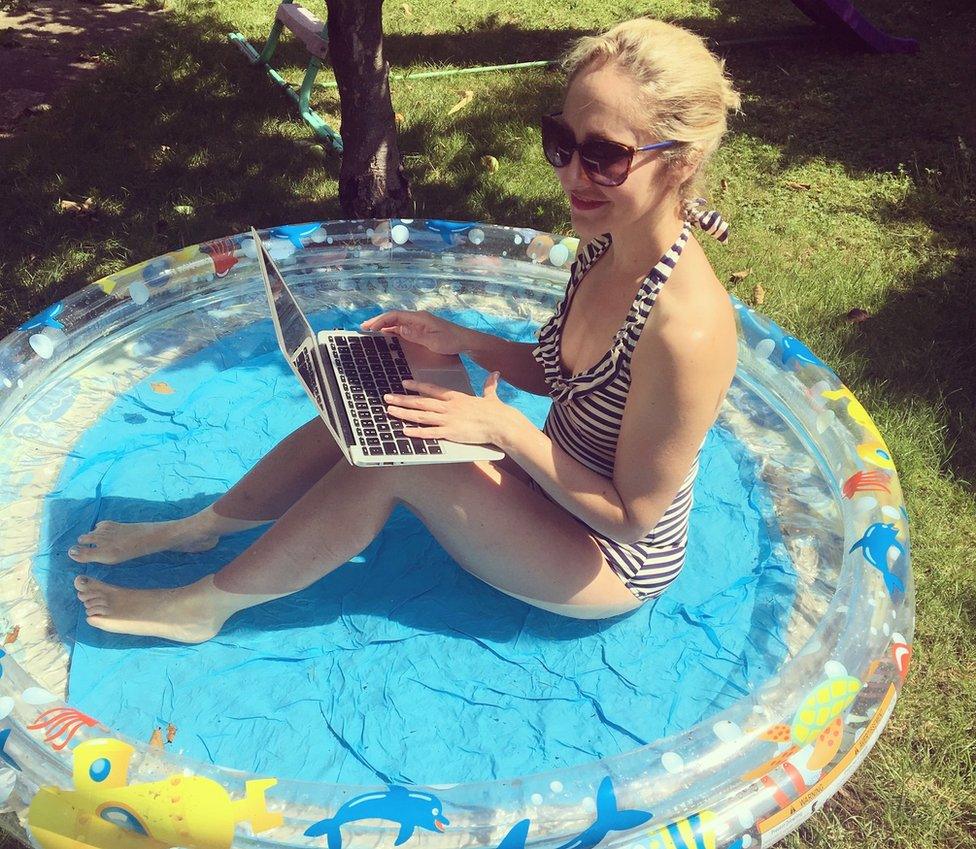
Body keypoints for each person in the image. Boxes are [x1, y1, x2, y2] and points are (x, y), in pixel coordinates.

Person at [70, 17, 741, 643]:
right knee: (378, 397)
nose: (572, 175)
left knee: (397, 457)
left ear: (678, 162)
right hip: (554, 488)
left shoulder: (686, 333)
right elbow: (560, 371)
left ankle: (207, 604)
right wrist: (461, 341)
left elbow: (632, 516)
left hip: (605, 557)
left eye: (605, 156)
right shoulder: (608, 239)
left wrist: (501, 428)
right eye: (562, 143)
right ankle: (203, 526)